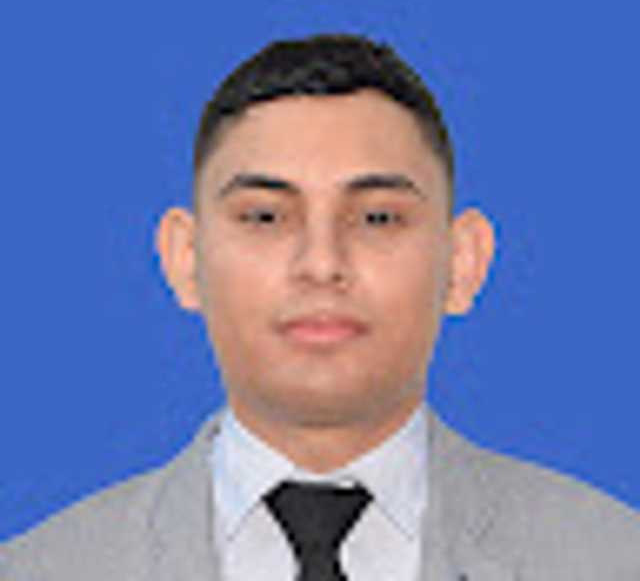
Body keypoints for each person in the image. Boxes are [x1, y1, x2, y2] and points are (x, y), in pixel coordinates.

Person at [1, 33, 638, 581]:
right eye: (265, 217)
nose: (322, 263)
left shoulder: (612, 558)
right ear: (184, 258)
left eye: (378, 218)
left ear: (462, 261)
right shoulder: (40, 568)